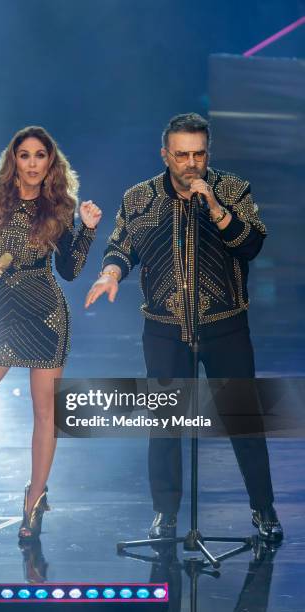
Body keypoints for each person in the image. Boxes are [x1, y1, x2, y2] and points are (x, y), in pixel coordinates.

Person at [85, 113, 283, 543]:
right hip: (164, 328)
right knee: (165, 423)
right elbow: (122, 246)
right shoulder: (140, 198)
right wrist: (111, 274)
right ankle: (166, 514)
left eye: (198, 153)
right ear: (165, 155)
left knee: (243, 420)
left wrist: (215, 208)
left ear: (208, 153)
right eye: (181, 155)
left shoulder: (232, 190)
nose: (191, 163)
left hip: (225, 325)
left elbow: (252, 244)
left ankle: (263, 508)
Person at [0, 125, 102, 539]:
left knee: (45, 414)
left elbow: (68, 271)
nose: (32, 163)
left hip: (45, 313)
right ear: (14, 160)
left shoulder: (61, 208)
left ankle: (34, 500)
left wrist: (86, 230)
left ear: (51, 162)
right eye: (25, 155)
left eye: (40, 155)